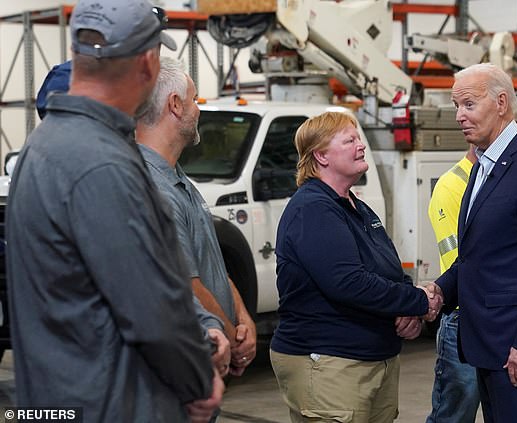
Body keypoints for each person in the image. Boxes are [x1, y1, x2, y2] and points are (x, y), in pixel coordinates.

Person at [6, 1, 222, 421]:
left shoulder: (46, 142)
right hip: (115, 403)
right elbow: (149, 309)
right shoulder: (102, 164)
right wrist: (197, 380)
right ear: (147, 62)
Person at [270, 111, 441, 423]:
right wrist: (418, 301)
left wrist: (409, 310)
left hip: (373, 357)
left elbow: (386, 271)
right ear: (321, 155)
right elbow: (348, 282)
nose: (361, 146)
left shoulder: (356, 208)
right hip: (330, 362)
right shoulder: (313, 209)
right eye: (349, 140)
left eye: (358, 139)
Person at [430, 63, 517, 423]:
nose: (459, 116)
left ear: (502, 102)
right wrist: (439, 291)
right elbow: (477, 256)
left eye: (469, 104)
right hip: (488, 342)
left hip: (516, 348)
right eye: (455, 106)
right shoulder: (482, 165)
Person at [136, 56, 257, 378]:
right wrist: (232, 339)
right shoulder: (154, 187)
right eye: (195, 99)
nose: (198, 109)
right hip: (190, 359)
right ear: (175, 105)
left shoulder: (178, 176)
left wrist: (243, 319)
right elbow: (186, 284)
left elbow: (209, 263)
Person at [426, 146, 479, 423]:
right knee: (455, 414)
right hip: (463, 315)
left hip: (493, 314)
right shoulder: (452, 185)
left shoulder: (498, 178)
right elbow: (459, 259)